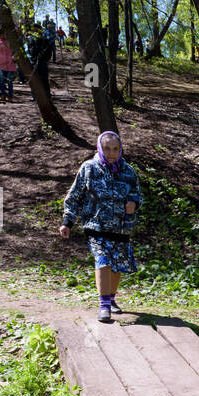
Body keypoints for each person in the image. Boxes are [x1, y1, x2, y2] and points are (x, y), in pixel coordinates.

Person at [60, 131, 143, 323]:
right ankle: (104, 305)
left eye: (115, 149)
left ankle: (111, 299)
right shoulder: (89, 168)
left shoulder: (128, 171)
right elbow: (74, 197)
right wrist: (67, 222)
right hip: (95, 225)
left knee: (117, 266)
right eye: (107, 148)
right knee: (103, 260)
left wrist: (134, 203)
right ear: (100, 148)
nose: (111, 153)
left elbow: (138, 194)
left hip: (121, 227)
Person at [0, 33, 17, 101]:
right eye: (1, 33)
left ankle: (10, 96)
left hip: (10, 64)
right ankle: (3, 95)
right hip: (1, 64)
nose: (3, 35)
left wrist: (14, 58)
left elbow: (15, 51)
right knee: (1, 80)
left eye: (4, 33)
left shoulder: (10, 41)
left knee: (9, 81)